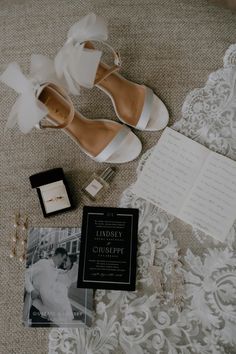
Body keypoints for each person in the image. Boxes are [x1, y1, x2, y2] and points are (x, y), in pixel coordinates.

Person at [24, 247, 68, 327]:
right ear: (59, 255)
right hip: (37, 307)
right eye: (63, 259)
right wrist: (31, 290)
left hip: (47, 310)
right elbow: (26, 274)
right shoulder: (43, 263)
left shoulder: (55, 270)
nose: (63, 262)